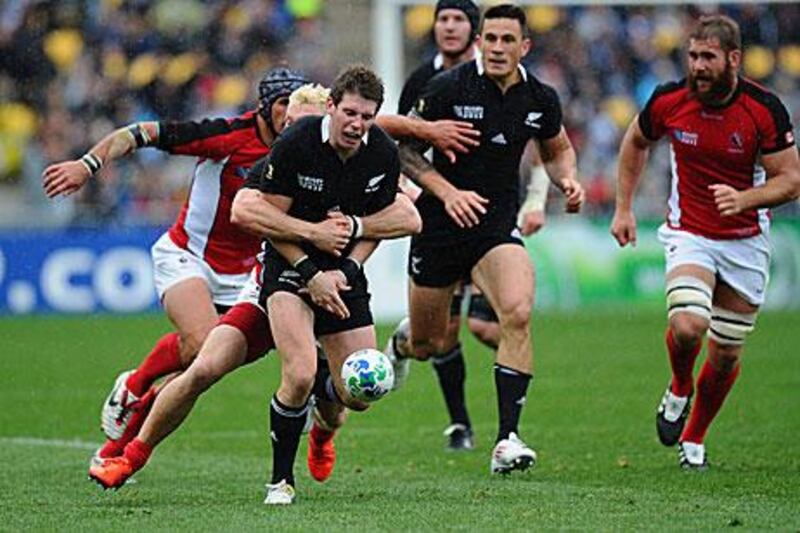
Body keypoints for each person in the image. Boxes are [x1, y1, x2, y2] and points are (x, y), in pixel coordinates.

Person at [88, 79, 421, 499]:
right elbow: (247, 211)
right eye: (292, 120)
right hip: (279, 278)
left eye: (364, 117)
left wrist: (351, 250)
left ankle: (321, 426)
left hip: (338, 280)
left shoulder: (375, 153)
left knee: (354, 396)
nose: (292, 130)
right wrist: (312, 246)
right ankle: (129, 454)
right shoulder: (288, 150)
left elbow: (405, 213)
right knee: (211, 367)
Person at [43, 66, 311, 446]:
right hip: (190, 255)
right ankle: (133, 387)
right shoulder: (229, 135)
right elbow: (141, 133)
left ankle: (130, 432)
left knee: (204, 365)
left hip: (250, 275)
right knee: (203, 343)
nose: (292, 113)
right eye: (285, 104)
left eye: (299, 104)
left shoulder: (309, 147)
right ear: (266, 107)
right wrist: (87, 165)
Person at [394, 3, 584, 475]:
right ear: (480, 42)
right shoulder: (445, 88)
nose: (497, 48)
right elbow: (403, 151)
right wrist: (445, 191)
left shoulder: (540, 97)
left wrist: (569, 180)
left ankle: (507, 439)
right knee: (428, 342)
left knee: (517, 312)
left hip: (495, 226)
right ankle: (400, 345)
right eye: (491, 39)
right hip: (438, 226)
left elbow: (557, 148)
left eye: (507, 40)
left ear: (525, 46)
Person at [610, 15, 799, 470]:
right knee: (689, 325)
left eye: (708, 57)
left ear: (733, 58)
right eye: (692, 56)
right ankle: (679, 386)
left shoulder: (763, 109)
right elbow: (636, 141)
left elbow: (791, 181)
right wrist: (624, 207)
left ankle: (694, 437)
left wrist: (746, 198)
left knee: (727, 349)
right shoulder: (669, 100)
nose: (697, 66)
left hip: (746, 241)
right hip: (690, 232)